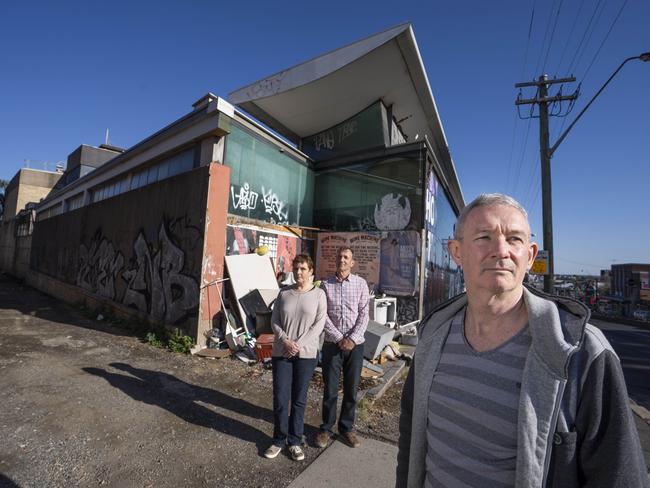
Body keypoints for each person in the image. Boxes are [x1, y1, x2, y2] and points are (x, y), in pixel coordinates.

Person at [397, 193, 648, 487]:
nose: (501, 250)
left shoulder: (582, 352)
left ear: (529, 256)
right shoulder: (433, 334)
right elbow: (411, 432)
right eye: (483, 237)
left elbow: (620, 475)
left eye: (515, 239)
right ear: (456, 251)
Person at [265, 254, 327, 461]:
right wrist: (286, 341)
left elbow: (318, 325)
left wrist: (298, 344)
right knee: (281, 398)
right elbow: (274, 321)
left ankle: (294, 441)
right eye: (296, 268)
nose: (298, 272)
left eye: (303, 269)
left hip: (306, 355)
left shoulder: (319, 295)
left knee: (299, 400)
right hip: (282, 352)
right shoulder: (284, 293)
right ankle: (278, 440)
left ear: (311, 272)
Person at [316, 247, 370, 449]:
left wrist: (352, 339)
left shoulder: (361, 284)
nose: (342, 259)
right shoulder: (325, 285)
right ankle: (326, 428)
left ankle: (346, 428)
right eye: (339, 256)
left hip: (355, 346)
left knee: (351, 389)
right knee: (330, 389)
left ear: (352, 262)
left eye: (346, 257)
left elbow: (364, 314)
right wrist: (340, 338)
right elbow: (322, 315)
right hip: (332, 344)